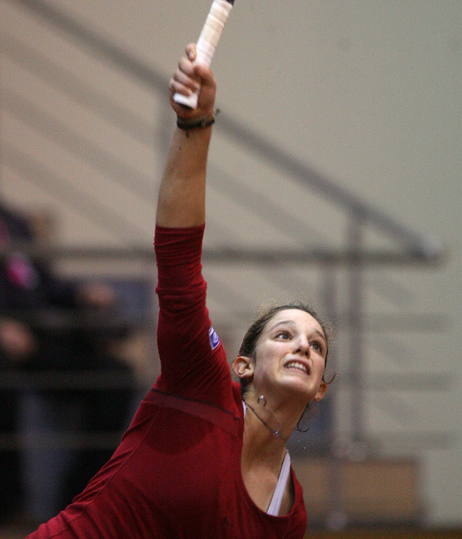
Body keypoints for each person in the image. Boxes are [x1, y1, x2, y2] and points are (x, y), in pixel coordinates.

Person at [25, 44, 330, 539]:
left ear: (320, 386)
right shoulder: (199, 384)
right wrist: (196, 124)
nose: (302, 346)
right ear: (243, 365)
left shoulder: (290, 514)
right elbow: (179, 259)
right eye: (285, 335)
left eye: (316, 345)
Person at [0, 201, 136, 523]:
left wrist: (81, 292)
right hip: (7, 346)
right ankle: (8, 506)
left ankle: (80, 496)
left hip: (39, 337)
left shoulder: (13, 220)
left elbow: (44, 283)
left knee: (116, 376)